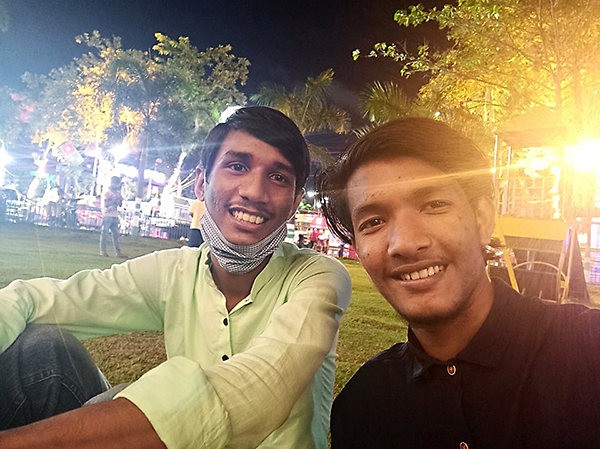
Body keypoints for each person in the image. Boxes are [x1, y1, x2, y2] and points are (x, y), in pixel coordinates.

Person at [0, 106, 351, 449]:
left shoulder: (316, 276)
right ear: (201, 183)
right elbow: (34, 299)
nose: (254, 192)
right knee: (40, 348)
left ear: (294, 202)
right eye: (237, 166)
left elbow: (260, 386)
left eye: (278, 177)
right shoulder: (175, 272)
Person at [318, 117, 600, 449]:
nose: (405, 243)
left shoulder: (587, 355)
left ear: (482, 219)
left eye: (434, 205)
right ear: (358, 247)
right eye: (374, 221)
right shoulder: (363, 407)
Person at [99, 176, 124, 257]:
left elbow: (120, 204)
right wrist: (114, 200)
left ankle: (118, 252)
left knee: (116, 234)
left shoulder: (117, 193)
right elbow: (106, 204)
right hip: (107, 214)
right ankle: (103, 251)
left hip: (114, 214)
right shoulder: (107, 193)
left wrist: (120, 200)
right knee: (105, 233)